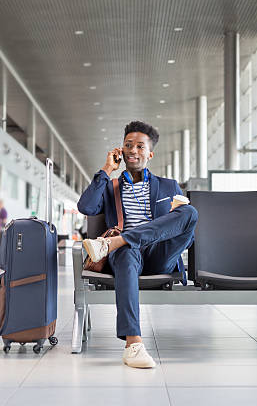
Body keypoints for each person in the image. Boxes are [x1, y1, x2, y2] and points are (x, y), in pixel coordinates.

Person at [78, 120, 198, 369]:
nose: (133, 150)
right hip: (126, 255)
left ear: (150, 153)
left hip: (158, 253)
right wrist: (106, 170)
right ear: (120, 151)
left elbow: (186, 229)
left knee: (190, 213)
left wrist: (169, 222)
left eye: (140, 146)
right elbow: (86, 207)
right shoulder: (111, 187)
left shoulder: (168, 186)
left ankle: (115, 242)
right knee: (125, 251)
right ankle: (133, 344)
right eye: (128, 145)